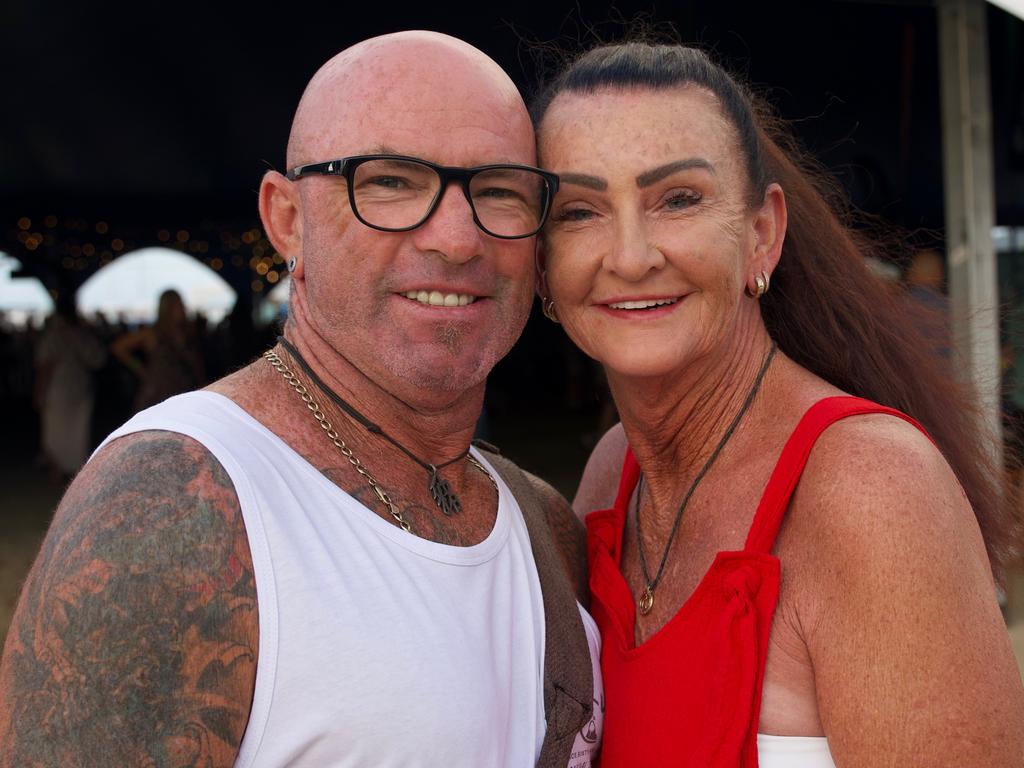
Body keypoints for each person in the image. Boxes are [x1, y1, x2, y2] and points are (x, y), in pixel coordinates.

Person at [0, 32, 602, 767]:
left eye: (501, 191)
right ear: (287, 218)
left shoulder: (547, 526)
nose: (456, 236)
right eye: (388, 182)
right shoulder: (174, 505)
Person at [532, 41, 1024, 767]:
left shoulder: (872, 490)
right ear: (541, 264)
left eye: (678, 199)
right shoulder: (614, 474)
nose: (630, 256)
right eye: (579, 211)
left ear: (763, 233)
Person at [33, 296, 107, 480]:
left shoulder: (54, 336)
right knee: (75, 430)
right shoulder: (81, 335)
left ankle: (62, 468)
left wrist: (40, 391)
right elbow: (98, 360)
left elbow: (45, 367)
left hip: (61, 388)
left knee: (59, 430)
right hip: (78, 387)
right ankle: (71, 468)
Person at [111, 287, 206, 411]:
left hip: (185, 390)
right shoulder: (153, 333)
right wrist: (141, 370)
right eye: (178, 305)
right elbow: (118, 347)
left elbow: (196, 363)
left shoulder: (188, 332)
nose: (182, 309)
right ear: (168, 308)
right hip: (159, 392)